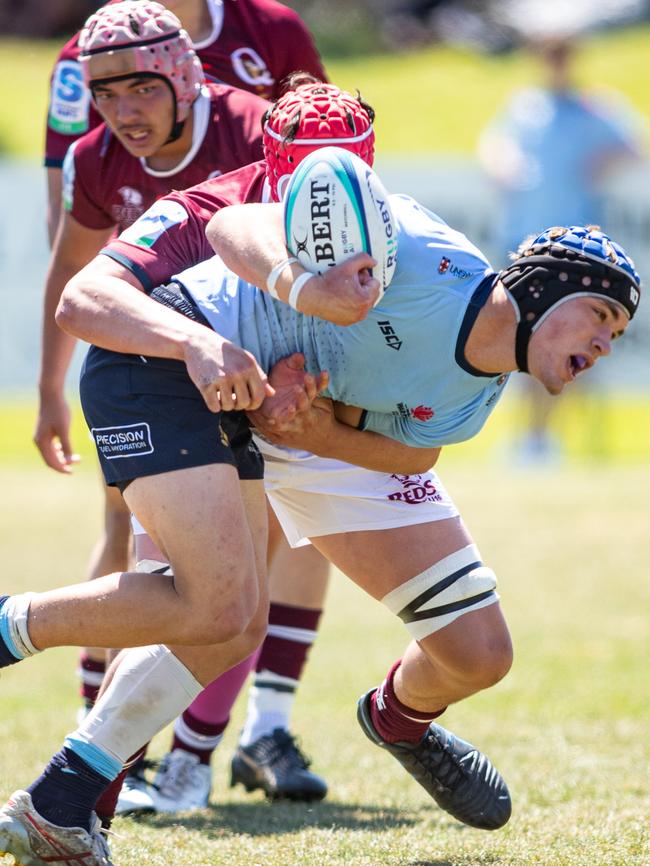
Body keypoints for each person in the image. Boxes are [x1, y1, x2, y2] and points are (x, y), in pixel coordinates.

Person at [0, 174, 639, 863]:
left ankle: (59, 805)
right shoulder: (425, 253)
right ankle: (44, 721)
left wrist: (310, 430)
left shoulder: (474, 402)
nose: (608, 344)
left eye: (620, 333)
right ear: (546, 286)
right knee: (218, 611)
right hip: (185, 361)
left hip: (280, 416)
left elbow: (409, 455)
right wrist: (304, 293)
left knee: (465, 651)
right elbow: (231, 225)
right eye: (603, 316)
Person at [34, 1, 332, 812]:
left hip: (263, 373)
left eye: (140, 91)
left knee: (246, 574)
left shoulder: (254, 124)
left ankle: (194, 754)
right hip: (149, 374)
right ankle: (109, 749)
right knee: (162, 567)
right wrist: (47, 391)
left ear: (182, 76)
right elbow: (72, 270)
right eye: (106, 96)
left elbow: (330, 223)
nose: (123, 112)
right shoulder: (97, 156)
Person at [478, 34, 643, 463]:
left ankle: (544, 438)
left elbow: (634, 145)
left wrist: (604, 161)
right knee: (521, 344)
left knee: (571, 344)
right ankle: (532, 437)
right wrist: (502, 164)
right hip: (525, 247)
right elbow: (492, 147)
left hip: (574, 256)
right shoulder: (525, 107)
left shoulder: (593, 107)